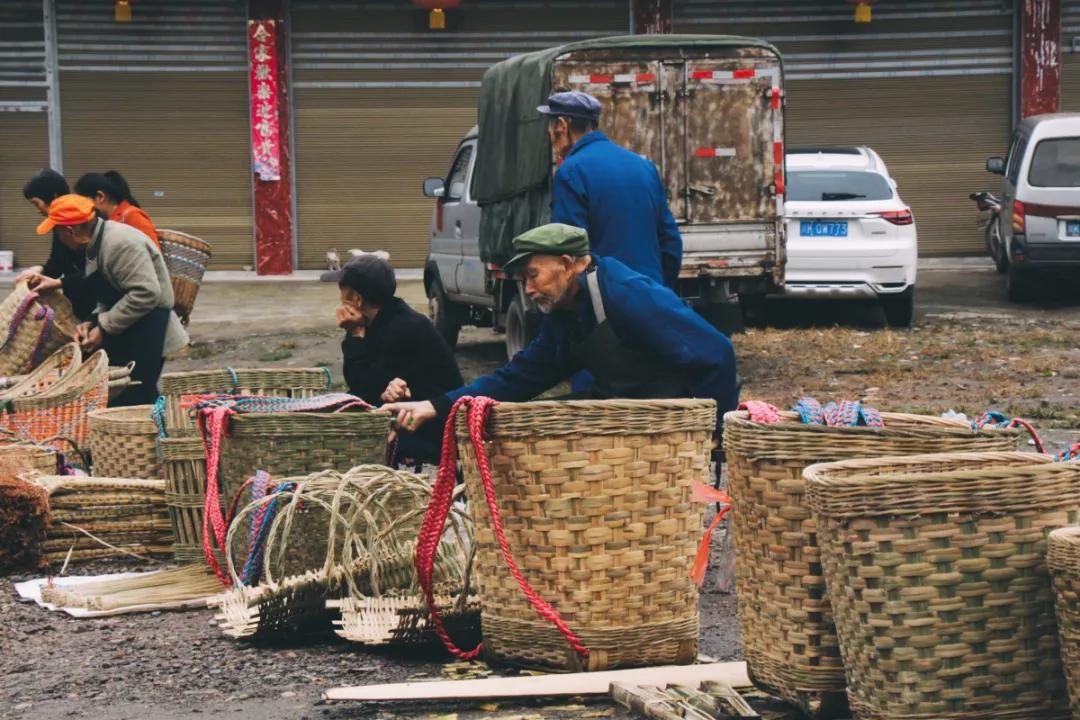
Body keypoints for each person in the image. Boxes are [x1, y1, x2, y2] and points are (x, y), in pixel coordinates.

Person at [384, 223, 737, 439]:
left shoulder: (626, 294)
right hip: (620, 412)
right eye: (523, 281)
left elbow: (717, 352)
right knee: (522, 425)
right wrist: (437, 406)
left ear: (568, 265)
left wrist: (716, 434)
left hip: (664, 419)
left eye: (533, 276)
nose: (529, 290)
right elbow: (519, 379)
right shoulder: (565, 314)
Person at [28, 194, 187, 406]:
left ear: (70, 231)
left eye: (56, 232)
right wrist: (92, 320)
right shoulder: (96, 244)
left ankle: (155, 434)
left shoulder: (119, 244)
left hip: (148, 326)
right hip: (130, 324)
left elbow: (146, 293)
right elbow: (110, 290)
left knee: (135, 397)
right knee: (127, 395)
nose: (58, 239)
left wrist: (103, 328)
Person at [323, 253, 463, 465]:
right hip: (409, 418)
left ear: (357, 299)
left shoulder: (403, 328)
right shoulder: (385, 319)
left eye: (343, 295)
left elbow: (365, 391)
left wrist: (355, 334)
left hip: (435, 431)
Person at [541, 91, 682, 289]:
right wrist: (659, 292)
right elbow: (671, 242)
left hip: (603, 299)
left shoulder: (571, 171)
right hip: (651, 293)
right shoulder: (644, 167)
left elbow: (569, 249)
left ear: (562, 126)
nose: (549, 135)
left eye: (549, 126)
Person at [18, 170, 96, 320]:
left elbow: (97, 272)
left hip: (97, 304)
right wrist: (38, 270)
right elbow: (57, 263)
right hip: (76, 301)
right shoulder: (59, 226)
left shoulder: (86, 223)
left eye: (36, 203)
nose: (37, 210)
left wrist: (60, 283)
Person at [74, 171, 159, 246]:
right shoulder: (105, 220)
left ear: (100, 197)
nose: (81, 207)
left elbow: (152, 252)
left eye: (83, 202)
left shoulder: (133, 216)